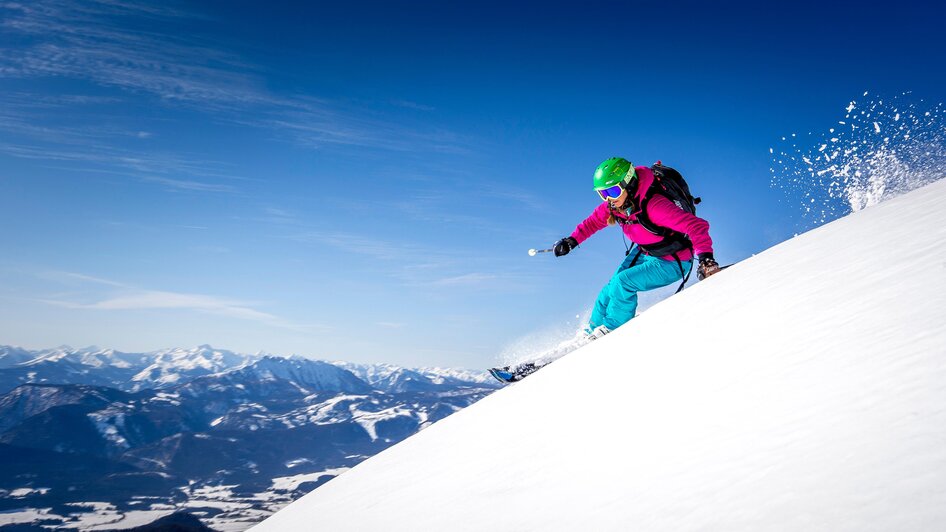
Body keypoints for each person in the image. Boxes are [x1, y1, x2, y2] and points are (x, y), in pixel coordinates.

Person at [553, 157, 720, 340]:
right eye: (603, 193)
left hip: (672, 261)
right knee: (610, 288)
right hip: (647, 252)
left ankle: (613, 330)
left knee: (622, 283)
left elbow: (696, 226)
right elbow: (592, 223)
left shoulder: (655, 206)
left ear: (629, 184)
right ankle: (590, 332)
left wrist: (706, 258)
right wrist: (571, 241)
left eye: (613, 191)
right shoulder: (615, 205)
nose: (608, 198)